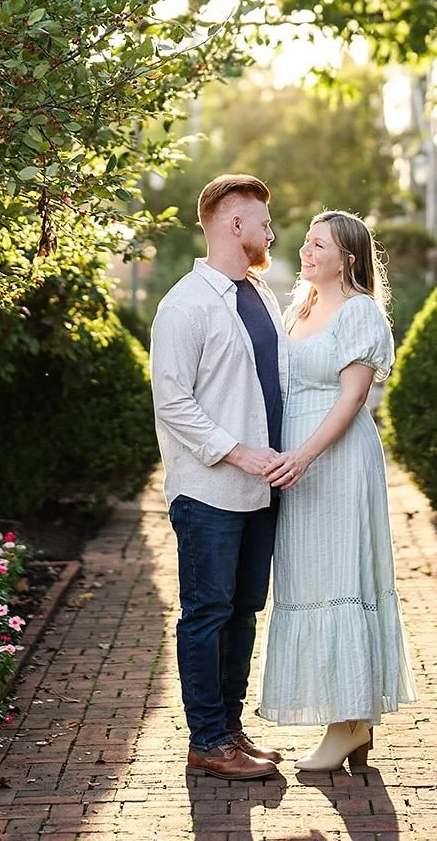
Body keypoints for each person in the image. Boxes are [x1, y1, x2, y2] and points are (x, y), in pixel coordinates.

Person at [258, 209, 416, 770]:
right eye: (305, 241)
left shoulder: (360, 314)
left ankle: (348, 722)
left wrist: (304, 454)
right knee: (306, 579)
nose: (305, 250)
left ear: (347, 257)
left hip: (337, 459)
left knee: (342, 577)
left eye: (317, 244)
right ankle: (350, 721)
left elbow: (352, 400)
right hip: (296, 462)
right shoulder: (298, 307)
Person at [149, 173, 289, 780]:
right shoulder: (185, 304)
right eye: (262, 221)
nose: (270, 232)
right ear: (234, 225)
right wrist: (239, 452)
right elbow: (173, 402)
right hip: (208, 490)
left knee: (243, 610)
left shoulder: (262, 296)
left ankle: (229, 731)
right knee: (206, 612)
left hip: (262, 488)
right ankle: (206, 740)